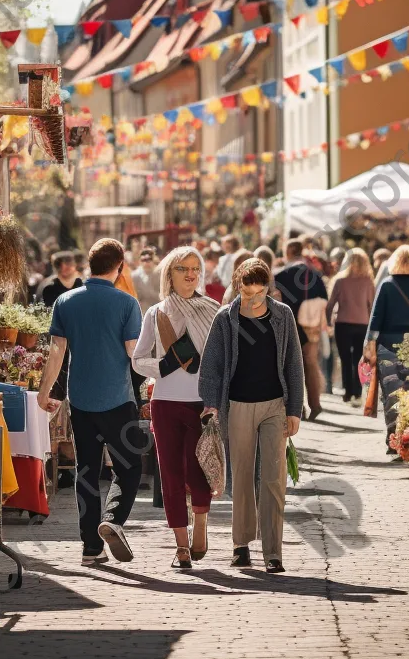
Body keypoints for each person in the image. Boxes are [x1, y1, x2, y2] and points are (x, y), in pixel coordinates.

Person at [38, 239, 143, 565]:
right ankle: (111, 520)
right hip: (117, 400)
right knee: (129, 468)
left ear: (89, 264)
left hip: (80, 400)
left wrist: (44, 392)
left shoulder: (66, 301)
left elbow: (57, 351)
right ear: (120, 266)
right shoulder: (127, 304)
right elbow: (133, 353)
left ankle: (90, 549)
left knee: (86, 472)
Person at [199, 258, 304, 573]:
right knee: (242, 477)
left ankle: (273, 553)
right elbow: (211, 366)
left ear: (268, 289)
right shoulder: (225, 319)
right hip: (238, 406)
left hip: (274, 405)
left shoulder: (283, 316)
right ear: (237, 287)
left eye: (259, 295)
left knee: (273, 479)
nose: (254, 301)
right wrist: (211, 404)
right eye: (247, 295)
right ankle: (241, 545)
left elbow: (294, 365)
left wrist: (295, 409)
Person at [131, 246, 219, 569]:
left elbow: (220, 360)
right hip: (165, 404)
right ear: (170, 273)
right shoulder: (156, 313)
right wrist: (163, 366)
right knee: (169, 474)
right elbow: (138, 360)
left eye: (196, 268)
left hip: (201, 404)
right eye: (183, 268)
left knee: (199, 470)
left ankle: (201, 525)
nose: (191, 274)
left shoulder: (213, 310)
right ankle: (181, 545)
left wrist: (217, 401)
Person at [363, 244, 409, 452]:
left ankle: (393, 438)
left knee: (391, 393)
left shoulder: (387, 285)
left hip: (388, 346)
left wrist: (367, 346)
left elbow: (375, 320)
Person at [273, 238, 329, 421]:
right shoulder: (315, 275)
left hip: (290, 326)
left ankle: (298, 409)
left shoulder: (281, 275)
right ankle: (315, 404)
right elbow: (324, 300)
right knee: (311, 364)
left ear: (288, 252)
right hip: (310, 327)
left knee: (290, 367)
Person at [324, 248, 374, 405]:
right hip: (362, 324)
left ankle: (347, 392)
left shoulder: (339, 281)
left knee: (345, 359)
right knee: (359, 359)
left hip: (343, 324)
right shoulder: (368, 282)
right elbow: (372, 306)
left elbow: (330, 305)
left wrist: (327, 323)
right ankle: (358, 393)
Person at [132, 246, 161, 315]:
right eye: (143, 260)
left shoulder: (160, 273)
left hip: (158, 311)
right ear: (140, 261)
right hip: (142, 312)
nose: (146, 263)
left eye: (149, 259)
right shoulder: (135, 275)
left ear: (153, 260)